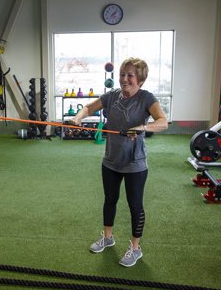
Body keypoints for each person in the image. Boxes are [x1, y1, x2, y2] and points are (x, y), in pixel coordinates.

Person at [70, 57, 168, 267]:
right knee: (110, 199)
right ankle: (108, 237)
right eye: (122, 74)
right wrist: (78, 118)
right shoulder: (112, 96)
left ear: (140, 80)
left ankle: (135, 248)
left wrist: (142, 128)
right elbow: (88, 107)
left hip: (135, 164)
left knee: (135, 206)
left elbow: (163, 122)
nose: (124, 79)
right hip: (111, 160)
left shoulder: (146, 98)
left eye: (130, 75)